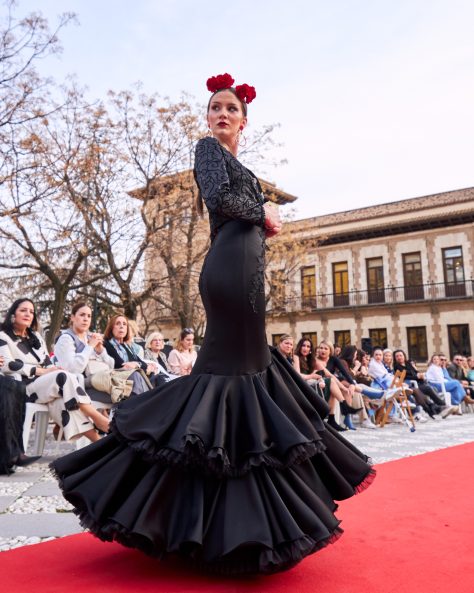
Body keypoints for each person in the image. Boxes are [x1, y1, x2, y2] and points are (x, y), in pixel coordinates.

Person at [51, 73, 375, 575]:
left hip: (249, 276)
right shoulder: (207, 150)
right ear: (209, 119)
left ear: (245, 120)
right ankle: (196, 513)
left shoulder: (239, 162)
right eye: (215, 108)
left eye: (230, 109)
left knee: (245, 373)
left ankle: (233, 523)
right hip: (225, 273)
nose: (221, 115)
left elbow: (240, 205)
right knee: (231, 375)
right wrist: (266, 213)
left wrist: (263, 224)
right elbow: (222, 201)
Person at [0, 299, 108, 443]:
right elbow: (7, 364)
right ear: (13, 313)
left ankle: (99, 443)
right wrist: (41, 371)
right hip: (23, 387)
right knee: (63, 376)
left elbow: (46, 361)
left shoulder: (36, 337)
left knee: (63, 404)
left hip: (45, 386)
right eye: (23, 310)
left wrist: (52, 368)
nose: (28, 314)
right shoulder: (3, 335)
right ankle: (95, 416)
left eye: (31, 312)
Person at [54, 302, 115, 406]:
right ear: (72, 317)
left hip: (103, 383)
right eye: (82, 315)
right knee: (129, 392)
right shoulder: (66, 339)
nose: (86, 319)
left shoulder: (90, 338)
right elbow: (73, 369)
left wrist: (100, 350)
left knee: (133, 383)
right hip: (82, 389)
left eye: (89, 316)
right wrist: (90, 347)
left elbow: (111, 366)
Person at [103, 314, 156, 394]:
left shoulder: (126, 346)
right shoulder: (107, 344)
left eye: (124, 324)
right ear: (111, 328)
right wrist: (138, 365)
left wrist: (137, 364)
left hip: (134, 376)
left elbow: (142, 364)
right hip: (120, 378)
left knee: (158, 376)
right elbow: (120, 364)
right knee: (137, 376)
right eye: (118, 324)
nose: (122, 326)